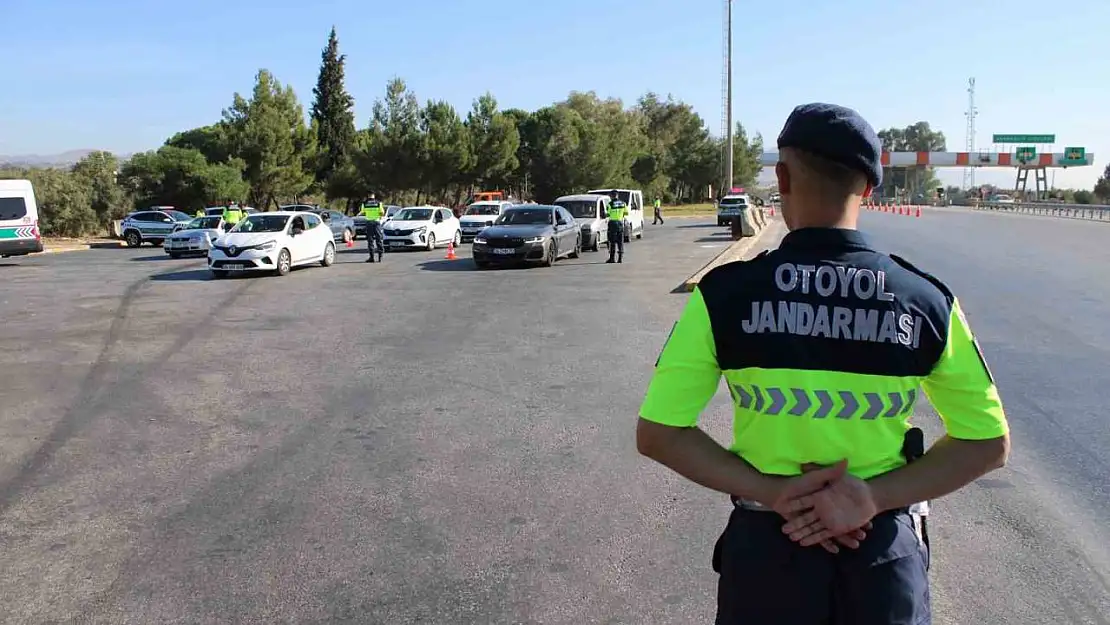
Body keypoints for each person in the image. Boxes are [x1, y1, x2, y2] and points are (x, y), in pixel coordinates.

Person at [635, 102, 1010, 625]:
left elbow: (659, 433)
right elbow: (988, 443)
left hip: (769, 554)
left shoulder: (723, 296)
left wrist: (776, 493)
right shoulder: (926, 301)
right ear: (869, 188)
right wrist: (872, 497)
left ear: (782, 177)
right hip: (881, 557)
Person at [361, 195, 385, 263]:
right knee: (379, 239)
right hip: (376, 222)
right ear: (374, 195)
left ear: (368, 195)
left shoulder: (365, 203)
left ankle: (372, 257)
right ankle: (380, 256)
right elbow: (382, 213)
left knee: (370, 240)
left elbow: (363, 212)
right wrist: (379, 216)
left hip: (369, 223)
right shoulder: (378, 203)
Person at [605, 199, 628, 264]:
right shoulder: (623, 203)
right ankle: (620, 258)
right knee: (620, 241)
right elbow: (626, 213)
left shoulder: (610, 204)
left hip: (612, 223)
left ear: (612, 196)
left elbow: (608, 214)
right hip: (620, 223)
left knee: (612, 241)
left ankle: (612, 258)